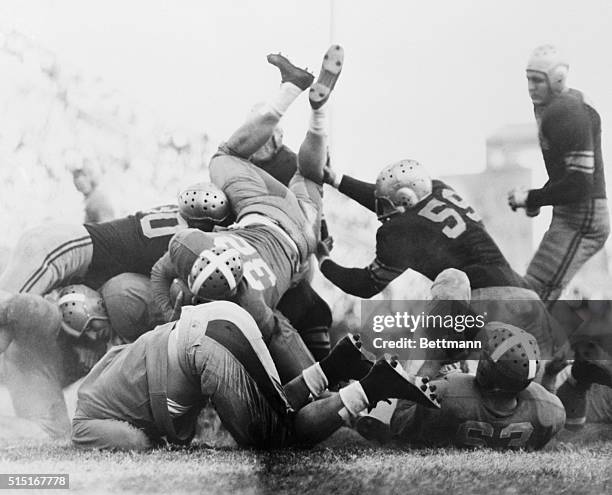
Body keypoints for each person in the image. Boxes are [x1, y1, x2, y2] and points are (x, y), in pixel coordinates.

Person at [151, 46, 345, 380]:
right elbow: (164, 269)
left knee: (291, 326)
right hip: (288, 230)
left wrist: (172, 316)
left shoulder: (252, 303)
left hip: (293, 247)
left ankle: (314, 110)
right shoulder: (190, 248)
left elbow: (279, 335)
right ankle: (314, 109)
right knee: (233, 159)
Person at [71, 301, 440, 451]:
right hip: (223, 316)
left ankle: (373, 386)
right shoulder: (102, 373)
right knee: (275, 404)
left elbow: (134, 443)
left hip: (197, 347)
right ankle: (335, 365)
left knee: (276, 439)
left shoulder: (83, 421)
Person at [0, 183, 228, 353]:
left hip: (61, 245)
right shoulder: (185, 245)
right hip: (56, 250)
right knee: (7, 317)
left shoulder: (178, 226)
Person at [357, 322, 566, 451]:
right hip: (473, 421)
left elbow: (400, 418)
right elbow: (543, 420)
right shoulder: (550, 410)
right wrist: (550, 375)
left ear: (484, 371)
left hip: (436, 413)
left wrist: (434, 362)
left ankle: (354, 403)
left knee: (388, 387)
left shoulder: (448, 393)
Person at [507, 44, 609, 303]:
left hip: (581, 215)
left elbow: (579, 184)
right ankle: (574, 340)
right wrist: (537, 197)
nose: (531, 87)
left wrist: (532, 198)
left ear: (556, 79)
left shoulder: (566, 111)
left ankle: (570, 342)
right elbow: (567, 173)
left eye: (537, 80)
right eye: (528, 79)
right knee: (539, 291)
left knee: (534, 293)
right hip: (574, 213)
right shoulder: (560, 106)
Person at [0, 273, 157, 439]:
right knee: (51, 433)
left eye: (92, 328)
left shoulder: (119, 312)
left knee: (57, 433)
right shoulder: (51, 316)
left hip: (44, 374)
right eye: (88, 330)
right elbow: (14, 305)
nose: (93, 336)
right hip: (29, 371)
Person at [71, 160, 116, 224]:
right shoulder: (90, 199)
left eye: (84, 176)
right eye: (76, 177)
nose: (81, 183)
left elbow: (107, 224)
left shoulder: (98, 198)